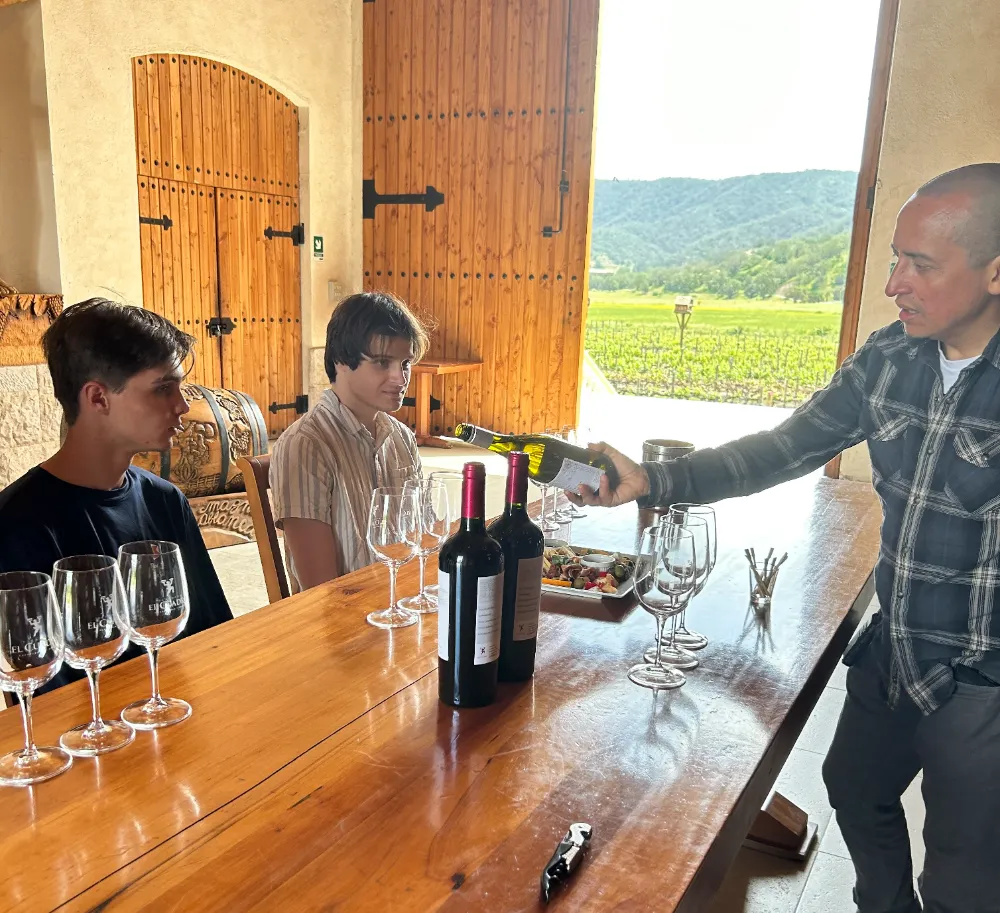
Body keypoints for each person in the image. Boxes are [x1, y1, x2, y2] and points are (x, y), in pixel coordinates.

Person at [570, 163, 1000, 913]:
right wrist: (653, 480)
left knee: (965, 877)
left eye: (920, 264)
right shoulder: (888, 359)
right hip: (894, 648)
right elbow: (781, 449)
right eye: (894, 258)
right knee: (853, 788)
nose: (894, 283)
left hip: (982, 675)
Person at [0, 299, 233, 692]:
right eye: (163, 388)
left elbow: (214, 637)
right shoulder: (17, 524)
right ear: (98, 398)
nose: (183, 405)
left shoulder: (165, 500)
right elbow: (42, 695)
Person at [270, 291, 428, 591]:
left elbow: (420, 542)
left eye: (405, 363)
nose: (400, 379)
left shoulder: (401, 437)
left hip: (400, 602)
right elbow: (320, 588)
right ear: (342, 360)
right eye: (382, 362)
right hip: (341, 614)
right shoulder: (305, 445)